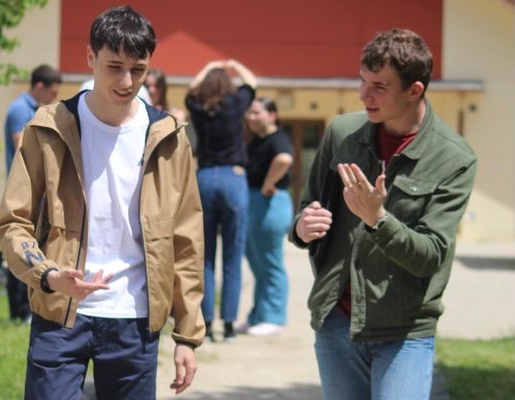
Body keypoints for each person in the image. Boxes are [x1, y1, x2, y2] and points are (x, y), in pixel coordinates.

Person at [0, 6, 204, 399]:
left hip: (134, 319)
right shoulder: (48, 127)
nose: (127, 82)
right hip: (59, 312)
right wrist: (49, 276)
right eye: (114, 66)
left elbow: (187, 241)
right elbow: (13, 223)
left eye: (138, 70)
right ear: (89, 58)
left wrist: (187, 336)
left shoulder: (169, 138)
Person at [288, 29, 476, 400]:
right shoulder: (340, 133)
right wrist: (302, 226)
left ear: (415, 91)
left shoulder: (455, 158)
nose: (363, 94)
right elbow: (306, 210)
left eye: (379, 86)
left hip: (404, 331)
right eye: (362, 81)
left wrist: (379, 221)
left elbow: (431, 256)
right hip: (336, 322)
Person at [185, 59, 257, 342]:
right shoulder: (235, 104)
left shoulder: (199, 107)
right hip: (233, 178)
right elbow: (252, 82)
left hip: (203, 178)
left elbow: (192, 88)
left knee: (204, 258)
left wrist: (209, 66)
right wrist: (234, 64)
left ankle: (207, 320)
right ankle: (228, 325)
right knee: (232, 255)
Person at [2, 64, 62, 322]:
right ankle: (19, 311)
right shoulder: (20, 110)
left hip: (37, 190)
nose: (54, 99)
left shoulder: (33, 110)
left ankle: (25, 308)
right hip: (22, 190)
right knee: (18, 248)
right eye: (52, 93)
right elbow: (23, 150)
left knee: (34, 248)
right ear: (39, 87)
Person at [242, 98, 294, 336]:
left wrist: (267, 184)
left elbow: (284, 159)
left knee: (270, 262)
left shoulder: (278, 138)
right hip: (256, 203)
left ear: (272, 115)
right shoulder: (257, 141)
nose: (251, 118)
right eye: (249, 114)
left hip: (271, 203)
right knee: (257, 261)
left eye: (257, 113)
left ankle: (274, 317)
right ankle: (258, 316)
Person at [79, 77, 152, 105]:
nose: (127, 84)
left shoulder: (142, 91)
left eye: (137, 69)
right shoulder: (88, 87)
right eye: (115, 67)